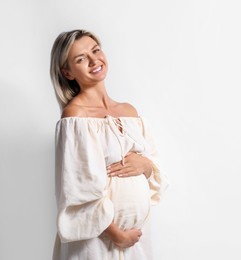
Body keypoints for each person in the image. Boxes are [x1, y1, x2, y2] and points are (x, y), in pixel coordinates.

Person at [50, 29, 168, 260]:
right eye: (81, 59)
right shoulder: (75, 116)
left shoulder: (129, 112)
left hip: (136, 239)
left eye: (96, 50)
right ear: (67, 72)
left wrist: (145, 165)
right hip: (97, 241)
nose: (94, 61)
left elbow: (154, 168)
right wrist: (116, 234)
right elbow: (77, 188)